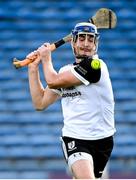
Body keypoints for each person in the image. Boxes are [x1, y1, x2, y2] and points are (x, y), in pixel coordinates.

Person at [27, 22, 116, 179]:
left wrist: (46, 58)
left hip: (103, 141)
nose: (86, 44)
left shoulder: (96, 67)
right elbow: (39, 102)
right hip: (75, 139)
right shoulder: (65, 72)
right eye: (81, 39)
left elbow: (53, 80)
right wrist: (33, 69)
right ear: (73, 42)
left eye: (91, 39)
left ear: (96, 43)